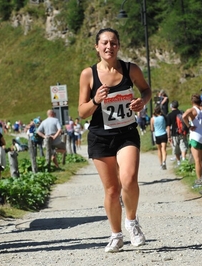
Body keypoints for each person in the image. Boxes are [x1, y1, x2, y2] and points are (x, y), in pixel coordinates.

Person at [78, 28, 152, 253]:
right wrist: (96, 100)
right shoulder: (88, 74)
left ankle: (132, 222)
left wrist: (142, 102)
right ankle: (116, 235)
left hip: (126, 132)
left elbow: (146, 90)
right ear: (97, 47)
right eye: (104, 43)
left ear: (119, 45)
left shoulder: (131, 69)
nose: (109, 47)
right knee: (111, 190)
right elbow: (82, 112)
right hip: (100, 135)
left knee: (128, 180)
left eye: (113, 42)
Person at [166, 100, 188, 166]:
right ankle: (184, 159)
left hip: (174, 134)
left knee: (176, 148)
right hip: (182, 132)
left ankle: (178, 161)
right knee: (183, 146)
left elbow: (168, 127)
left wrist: (168, 136)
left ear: (171, 106)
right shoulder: (181, 113)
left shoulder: (169, 115)